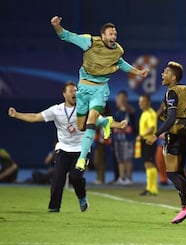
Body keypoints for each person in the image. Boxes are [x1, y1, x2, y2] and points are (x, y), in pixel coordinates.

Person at [8, 81, 126, 212]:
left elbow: (102, 120)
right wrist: (16, 114)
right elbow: (35, 117)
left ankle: (82, 197)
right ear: (64, 94)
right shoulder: (56, 110)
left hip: (81, 150)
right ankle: (54, 208)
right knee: (58, 178)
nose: (74, 93)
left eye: (76, 91)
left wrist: (119, 125)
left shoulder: (84, 110)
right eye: (71, 91)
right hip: (63, 149)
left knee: (75, 178)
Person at [50, 16, 148, 172]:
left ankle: (82, 159)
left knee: (92, 118)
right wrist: (57, 26)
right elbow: (67, 36)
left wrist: (138, 72)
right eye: (110, 34)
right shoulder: (90, 42)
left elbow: (120, 63)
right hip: (83, 88)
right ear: (103, 36)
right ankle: (105, 122)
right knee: (82, 126)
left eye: (115, 34)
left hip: (100, 89)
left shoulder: (118, 50)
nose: (113, 37)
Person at [146, 61, 186, 224]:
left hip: (174, 136)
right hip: (185, 135)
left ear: (173, 77)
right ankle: (184, 208)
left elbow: (171, 119)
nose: (162, 75)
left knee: (171, 173)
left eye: (165, 72)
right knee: (178, 172)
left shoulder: (172, 92)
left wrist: (156, 134)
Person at [113, 91, 136, 185]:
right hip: (118, 139)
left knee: (127, 158)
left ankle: (128, 178)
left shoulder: (130, 111)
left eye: (123, 98)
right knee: (120, 158)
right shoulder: (116, 111)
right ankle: (121, 178)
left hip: (128, 139)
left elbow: (133, 126)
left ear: (126, 99)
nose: (121, 100)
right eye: (119, 98)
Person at [137, 94, 158, 196]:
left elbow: (152, 128)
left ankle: (152, 189)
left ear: (148, 102)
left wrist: (141, 135)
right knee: (148, 164)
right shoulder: (144, 113)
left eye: (143, 101)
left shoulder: (150, 113)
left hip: (149, 141)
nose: (140, 104)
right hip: (145, 141)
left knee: (149, 163)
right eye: (140, 102)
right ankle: (149, 188)